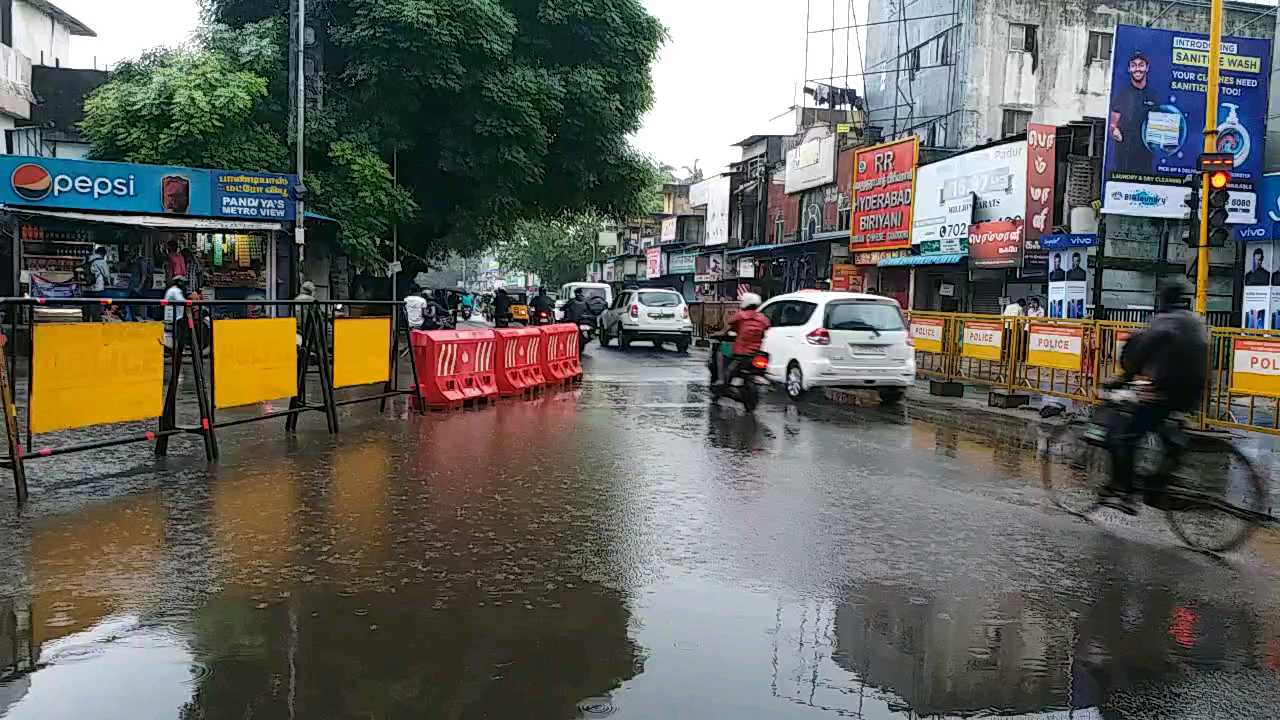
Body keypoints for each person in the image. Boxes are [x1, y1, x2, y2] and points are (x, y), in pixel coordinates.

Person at [1104, 279, 1208, 514]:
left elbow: (1138, 356)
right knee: (1164, 431)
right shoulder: (1196, 322)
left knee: (1126, 436)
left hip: (1164, 392)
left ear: (1162, 300)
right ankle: (1162, 474)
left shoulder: (1163, 322)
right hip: (1193, 394)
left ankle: (1127, 495)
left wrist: (1121, 379)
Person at [1109, 50, 1156, 175]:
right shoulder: (1122, 95)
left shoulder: (1154, 95)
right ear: (1129, 69)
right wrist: (1114, 130)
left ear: (1147, 68)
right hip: (1125, 158)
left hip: (1146, 158)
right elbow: (1113, 125)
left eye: (1141, 65)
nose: (1137, 69)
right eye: (1134, 65)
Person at [718, 292, 771, 386]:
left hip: (740, 353)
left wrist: (721, 334)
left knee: (724, 363)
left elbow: (729, 327)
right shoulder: (762, 318)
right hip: (756, 353)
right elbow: (766, 328)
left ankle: (721, 383)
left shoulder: (740, 316)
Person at [84, 246, 111, 321]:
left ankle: (86, 322)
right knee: (96, 308)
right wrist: (108, 283)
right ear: (103, 253)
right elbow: (106, 275)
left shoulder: (86, 258)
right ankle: (96, 323)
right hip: (97, 288)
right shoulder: (101, 261)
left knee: (87, 308)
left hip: (86, 287)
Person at [162, 276, 188, 349]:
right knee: (180, 332)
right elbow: (181, 301)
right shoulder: (175, 290)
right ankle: (180, 348)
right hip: (176, 317)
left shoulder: (171, 289)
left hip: (171, 315)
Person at [294, 280, 317, 347]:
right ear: (311, 291)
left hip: (297, 329)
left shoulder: (296, 298)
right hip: (305, 328)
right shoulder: (311, 300)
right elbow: (320, 313)